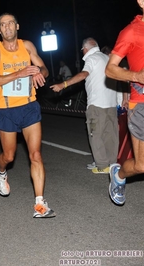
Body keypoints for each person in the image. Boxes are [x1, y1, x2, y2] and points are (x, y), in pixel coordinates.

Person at [0, 13, 55, 218]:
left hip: (29, 106)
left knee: (36, 155)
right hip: (7, 109)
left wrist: (38, 73)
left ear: (17, 26)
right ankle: (0, 171)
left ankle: (40, 204)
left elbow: (44, 68)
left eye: (10, 23)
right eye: (2, 25)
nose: (7, 27)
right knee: (9, 156)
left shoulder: (28, 46)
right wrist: (19, 73)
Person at [51, 38, 119, 175]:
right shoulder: (107, 58)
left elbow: (83, 74)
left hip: (97, 105)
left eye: (82, 50)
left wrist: (63, 85)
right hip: (111, 104)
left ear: (85, 49)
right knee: (110, 135)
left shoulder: (91, 59)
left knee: (95, 134)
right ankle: (113, 163)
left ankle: (101, 165)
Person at [104, 0, 144, 205]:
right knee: (141, 165)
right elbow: (110, 69)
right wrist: (136, 76)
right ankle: (119, 175)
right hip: (141, 104)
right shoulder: (131, 32)